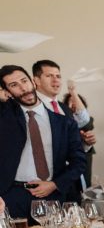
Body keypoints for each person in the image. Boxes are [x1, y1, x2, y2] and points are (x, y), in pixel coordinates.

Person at [0, 65, 86, 218]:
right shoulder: (4, 119)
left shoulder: (65, 123)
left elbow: (79, 162)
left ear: (33, 82)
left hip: (53, 196)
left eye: (24, 81)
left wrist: (55, 184)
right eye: (14, 85)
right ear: (7, 92)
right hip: (12, 198)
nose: (23, 88)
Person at [33, 59, 95, 188]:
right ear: (36, 80)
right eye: (49, 76)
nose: (55, 80)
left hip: (69, 180)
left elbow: (83, 122)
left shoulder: (64, 108)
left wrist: (83, 142)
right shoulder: (31, 108)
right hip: (43, 181)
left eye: (58, 76)